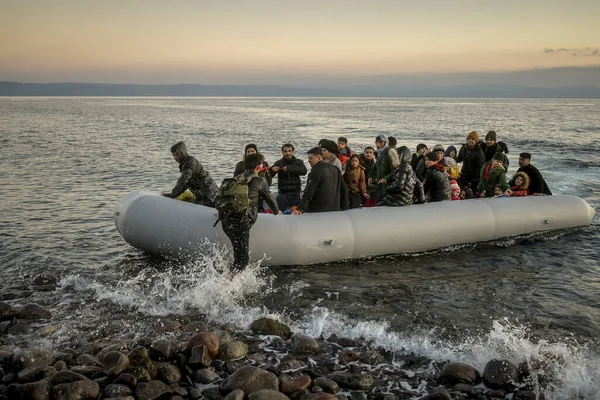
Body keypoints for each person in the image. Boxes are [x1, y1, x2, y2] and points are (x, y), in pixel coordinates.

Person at [220, 153, 281, 274]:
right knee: (242, 260)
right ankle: (227, 285)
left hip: (226, 221)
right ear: (258, 167)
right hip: (241, 221)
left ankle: (230, 280)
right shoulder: (260, 181)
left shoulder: (236, 178)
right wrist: (276, 212)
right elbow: (272, 202)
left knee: (238, 256)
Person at [293, 148, 349, 214]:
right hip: (335, 208)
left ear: (319, 158)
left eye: (311, 158)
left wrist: (300, 208)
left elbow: (309, 190)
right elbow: (344, 189)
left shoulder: (316, 170)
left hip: (318, 210)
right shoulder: (336, 169)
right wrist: (345, 208)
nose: (308, 161)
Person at [162, 142, 219, 207]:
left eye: (176, 155)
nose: (175, 158)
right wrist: (174, 194)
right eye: (173, 155)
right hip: (204, 193)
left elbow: (183, 180)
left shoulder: (190, 162)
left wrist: (172, 195)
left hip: (209, 193)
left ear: (181, 153)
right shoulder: (185, 164)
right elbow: (185, 184)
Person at [270, 143, 308, 211]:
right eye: (285, 151)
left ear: (293, 152)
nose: (287, 153)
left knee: (295, 214)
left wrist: (289, 168)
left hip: (295, 193)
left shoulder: (299, 162)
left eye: (289, 151)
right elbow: (269, 176)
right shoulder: (278, 163)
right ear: (282, 152)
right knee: (281, 214)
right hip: (282, 193)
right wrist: (272, 170)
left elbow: (304, 171)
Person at [370, 134, 400, 199]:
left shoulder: (391, 153)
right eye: (377, 142)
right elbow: (375, 167)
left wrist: (386, 178)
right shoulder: (378, 153)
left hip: (388, 184)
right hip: (380, 184)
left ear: (385, 143)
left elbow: (395, 170)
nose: (378, 144)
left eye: (380, 142)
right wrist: (371, 176)